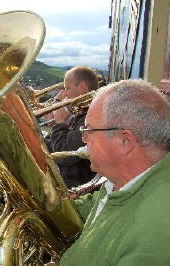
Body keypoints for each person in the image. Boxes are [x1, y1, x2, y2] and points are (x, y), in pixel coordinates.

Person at [60, 79, 170, 265]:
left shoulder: (154, 230)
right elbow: (91, 207)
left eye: (88, 130)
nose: (84, 138)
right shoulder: (120, 182)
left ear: (124, 141)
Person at [47, 66, 99, 188]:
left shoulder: (91, 118)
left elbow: (64, 154)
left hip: (72, 184)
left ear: (82, 88)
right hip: (64, 176)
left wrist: (60, 122)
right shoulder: (81, 113)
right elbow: (60, 141)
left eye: (67, 88)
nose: (64, 93)